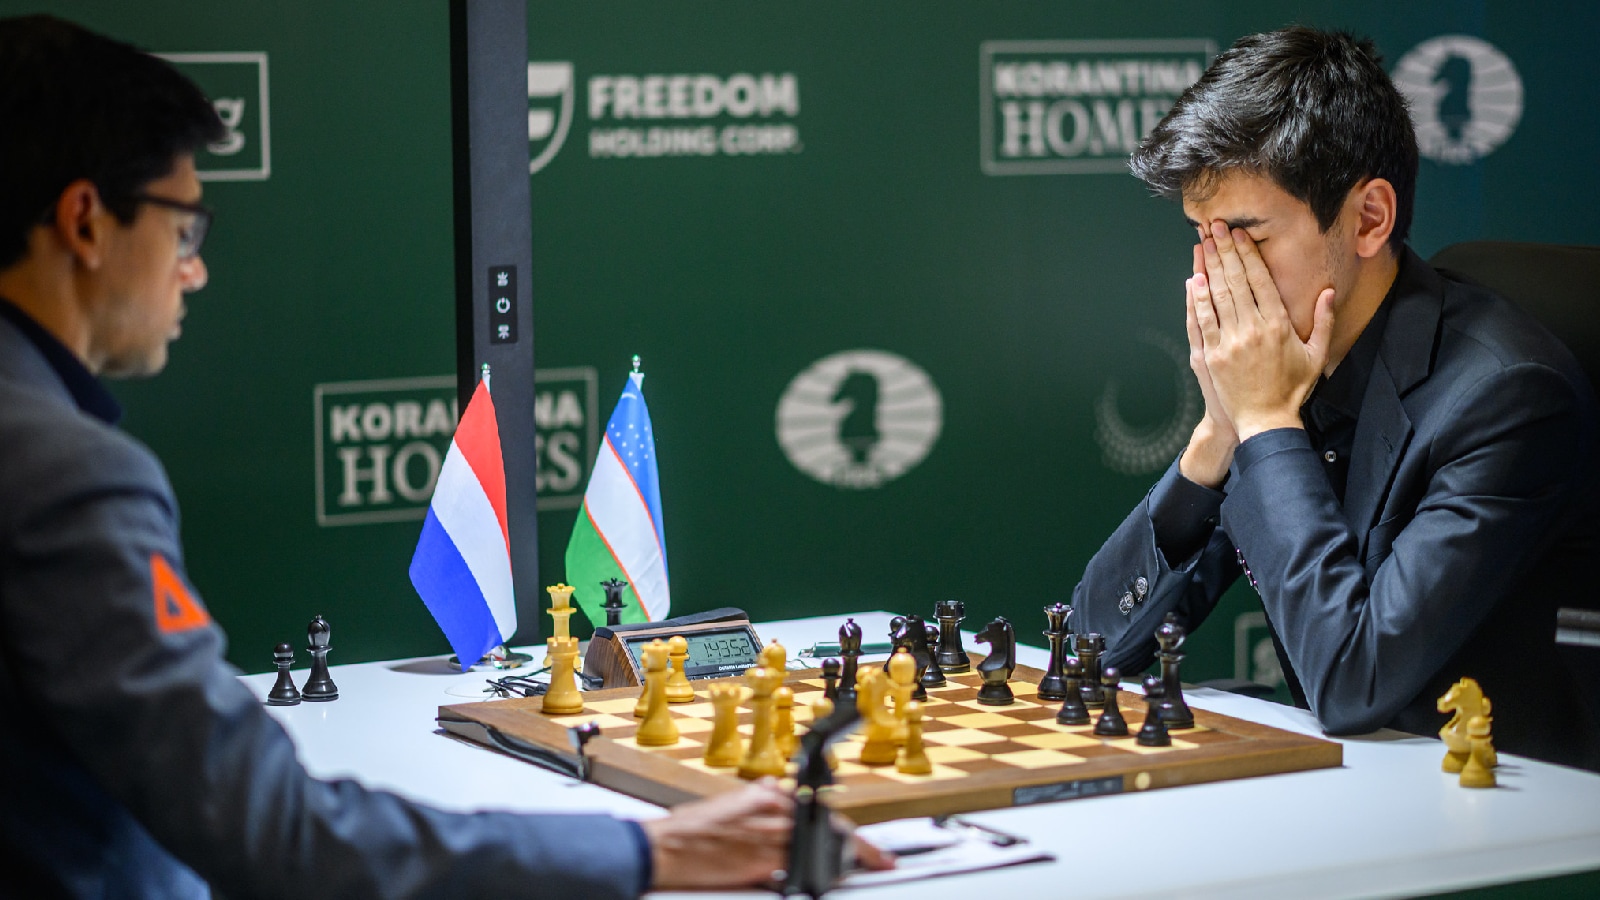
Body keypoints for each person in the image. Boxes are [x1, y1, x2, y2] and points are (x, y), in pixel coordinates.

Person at [0, 15, 888, 897]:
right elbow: (272, 832)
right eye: (185, 229)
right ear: (85, 221)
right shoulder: (64, 474)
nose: (193, 269)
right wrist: (647, 853)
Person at [1071, 27, 1600, 769]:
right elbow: (1093, 647)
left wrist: (1264, 422)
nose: (1217, 277)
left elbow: (1354, 683)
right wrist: (1217, 437)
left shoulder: (1509, 400)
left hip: (1503, 807)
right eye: (1202, 237)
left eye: (1247, 237)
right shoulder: (1289, 362)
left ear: (1369, 219)